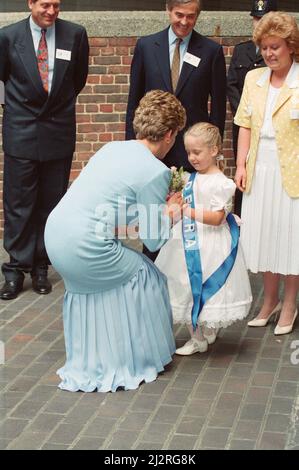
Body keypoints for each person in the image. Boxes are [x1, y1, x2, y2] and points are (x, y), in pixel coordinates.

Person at [44, 90, 186, 392]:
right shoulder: (155, 171)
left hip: (55, 235)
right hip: (85, 245)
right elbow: (154, 238)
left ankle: (97, 355)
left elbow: (111, 212)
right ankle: (135, 358)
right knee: (148, 276)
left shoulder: (111, 148)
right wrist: (171, 212)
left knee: (121, 273)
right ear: (170, 134)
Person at [0, 0, 89, 300]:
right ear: (30, 4)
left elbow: (78, 80)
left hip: (57, 130)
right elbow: (3, 78)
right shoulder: (8, 36)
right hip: (21, 131)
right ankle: (15, 269)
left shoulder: (75, 35)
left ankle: (41, 266)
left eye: (56, 5)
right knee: (19, 202)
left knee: (51, 204)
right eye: (44, 5)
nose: (51, 11)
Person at [126, 0, 226, 262]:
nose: (184, 21)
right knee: (154, 214)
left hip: (191, 150)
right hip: (154, 149)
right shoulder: (147, 46)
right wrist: (133, 149)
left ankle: (186, 271)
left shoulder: (211, 51)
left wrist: (213, 151)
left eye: (191, 16)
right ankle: (153, 265)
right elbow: (133, 100)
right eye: (179, 15)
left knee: (187, 213)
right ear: (168, 10)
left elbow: (217, 105)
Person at [155, 123, 252, 355]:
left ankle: (205, 333)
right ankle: (197, 336)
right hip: (186, 240)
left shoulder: (221, 184)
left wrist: (189, 212)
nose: (192, 157)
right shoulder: (190, 178)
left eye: (197, 152)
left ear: (214, 150)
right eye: (189, 152)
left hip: (210, 243)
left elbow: (218, 218)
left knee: (206, 285)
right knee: (186, 285)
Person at [234, 11, 299, 336]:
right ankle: (269, 300)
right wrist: (241, 165)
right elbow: (244, 124)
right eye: (265, 47)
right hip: (260, 168)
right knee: (267, 237)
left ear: (290, 46)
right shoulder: (253, 80)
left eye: (276, 47)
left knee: (290, 238)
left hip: (292, 171)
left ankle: (290, 304)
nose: (270, 53)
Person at [227, 0, 278, 216]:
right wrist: (249, 116)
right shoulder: (242, 51)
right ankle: (241, 218)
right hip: (245, 126)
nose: (259, 24)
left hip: (272, 127)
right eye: (256, 19)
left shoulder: (278, 52)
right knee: (243, 173)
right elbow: (232, 86)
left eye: (264, 19)